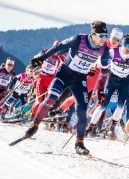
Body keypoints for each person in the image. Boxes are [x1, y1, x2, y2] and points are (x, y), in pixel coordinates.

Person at [25, 21, 112, 155]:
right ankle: (34, 125)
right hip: (64, 74)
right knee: (52, 97)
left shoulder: (104, 49)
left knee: (82, 110)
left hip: (80, 80)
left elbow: (105, 71)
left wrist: (100, 89)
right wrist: (42, 58)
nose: (104, 39)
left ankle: (79, 144)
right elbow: (58, 47)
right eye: (101, 36)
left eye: (106, 36)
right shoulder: (79, 39)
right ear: (93, 34)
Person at [87, 34, 129, 140]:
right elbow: (100, 61)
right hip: (111, 79)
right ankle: (90, 127)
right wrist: (92, 68)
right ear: (122, 44)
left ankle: (112, 127)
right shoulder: (114, 52)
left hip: (124, 81)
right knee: (103, 104)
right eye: (126, 45)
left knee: (120, 105)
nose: (127, 48)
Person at [30, 41, 65, 117]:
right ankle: (32, 115)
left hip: (51, 80)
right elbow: (36, 58)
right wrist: (34, 64)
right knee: (39, 100)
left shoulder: (61, 56)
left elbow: (69, 63)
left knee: (46, 101)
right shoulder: (46, 52)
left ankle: (40, 116)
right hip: (41, 78)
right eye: (55, 47)